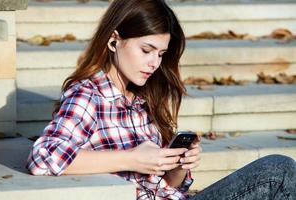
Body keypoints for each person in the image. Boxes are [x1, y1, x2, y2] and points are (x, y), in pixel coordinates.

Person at [26, 0, 296, 199]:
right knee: (277, 171)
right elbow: (44, 157)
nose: (154, 63)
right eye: (146, 50)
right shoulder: (88, 95)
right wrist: (131, 159)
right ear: (113, 40)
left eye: (161, 54)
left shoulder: (142, 98)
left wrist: (178, 164)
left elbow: (169, 185)